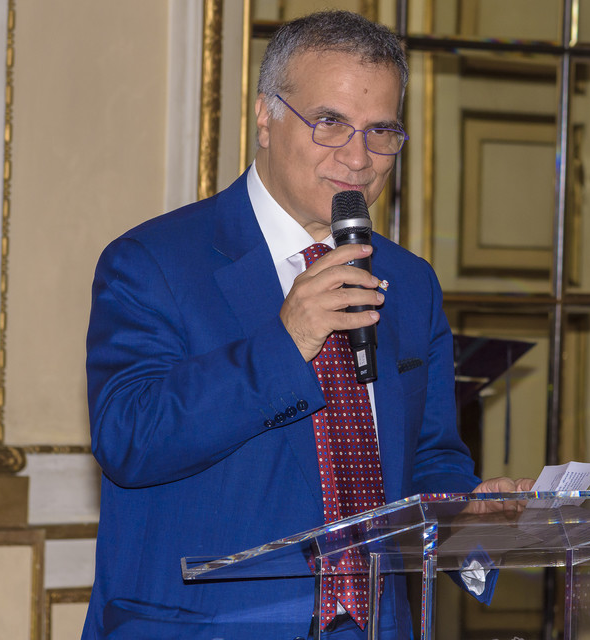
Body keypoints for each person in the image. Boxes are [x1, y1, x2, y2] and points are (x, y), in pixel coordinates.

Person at [82, 10, 531, 639]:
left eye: (381, 131)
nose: (359, 157)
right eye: (330, 123)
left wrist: (467, 518)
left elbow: (427, 457)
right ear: (266, 117)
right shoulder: (153, 262)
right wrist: (286, 341)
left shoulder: (409, 283)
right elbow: (129, 440)